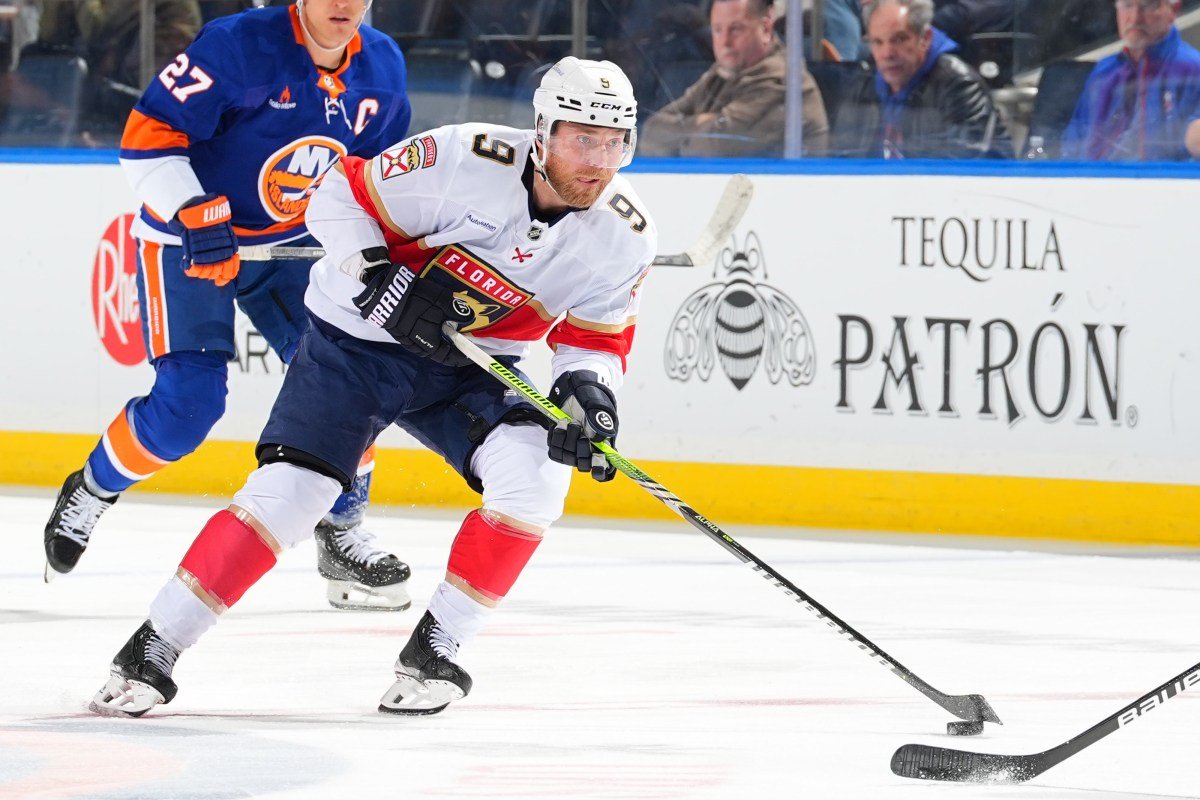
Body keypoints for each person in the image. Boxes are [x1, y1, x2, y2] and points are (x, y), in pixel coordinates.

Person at [87, 56, 657, 719]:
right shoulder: (462, 158)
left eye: (614, 143)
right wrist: (376, 274)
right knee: (294, 495)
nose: (597, 161)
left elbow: (595, 340)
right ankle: (151, 649)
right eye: (582, 139)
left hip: (469, 365)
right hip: (354, 345)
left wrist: (589, 393)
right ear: (542, 132)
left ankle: (436, 649)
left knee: (535, 475)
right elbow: (337, 194)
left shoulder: (626, 234)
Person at [42, 0, 416, 612]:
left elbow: (372, 179)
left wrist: (378, 251)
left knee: (350, 379)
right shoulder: (238, 45)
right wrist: (191, 209)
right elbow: (148, 136)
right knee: (187, 408)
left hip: (291, 248)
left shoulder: (383, 66)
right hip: (190, 244)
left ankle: (342, 532)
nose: (344, 5)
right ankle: (93, 487)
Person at [640, 0, 829, 157]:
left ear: (765, 28)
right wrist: (704, 123)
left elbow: (712, 150)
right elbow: (651, 133)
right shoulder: (722, 71)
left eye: (736, 29)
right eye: (717, 30)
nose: (725, 42)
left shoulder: (783, 81)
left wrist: (684, 129)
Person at [831, 0, 1011, 158]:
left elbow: (964, 170)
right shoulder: (863, 85)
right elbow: (842, 157)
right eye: (878, 42)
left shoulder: (959, 87)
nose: (887, 53)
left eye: (899, 39)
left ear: (925, 38)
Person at [1062, 0, 1200, 161]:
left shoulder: (1193, 72)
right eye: (1127, 5)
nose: (1135, 18)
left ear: (1173, 10)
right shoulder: (1104, 71)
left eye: (1148, 6)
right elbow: (1072, 146)